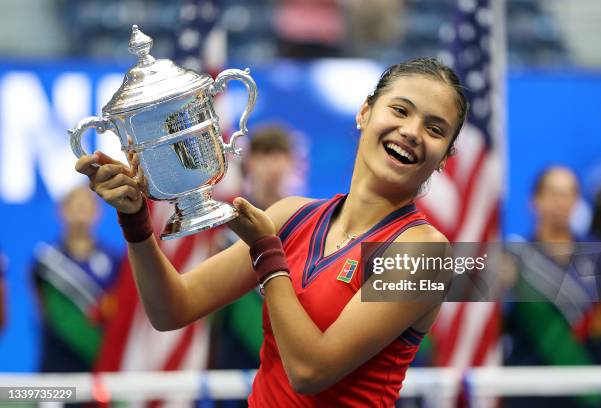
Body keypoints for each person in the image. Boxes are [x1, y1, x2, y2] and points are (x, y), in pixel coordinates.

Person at [75, 57, 467, 406]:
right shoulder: (291, 216)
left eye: (435, 129)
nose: (412, 131)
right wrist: (136, 222)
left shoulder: (425, 253)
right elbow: (171, 309)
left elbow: (311, 371)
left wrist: (268, 254)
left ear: (445, 157)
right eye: (400, 110)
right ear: (364, 112)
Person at [503, 166, 601, 407]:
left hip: (589, 390)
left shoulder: (599, 255)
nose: (562, 202)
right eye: (554, 193)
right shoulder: (514, 258)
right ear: (534, 200)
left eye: (569, 193)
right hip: (530, 389)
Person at [210, 125, 298, 373]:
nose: (273, 165)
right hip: (235, 364)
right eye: (265, 155)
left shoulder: (305, 222)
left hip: (292, 360)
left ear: (291, 163)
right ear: (250, 163)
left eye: (280, 155)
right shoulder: (228, 227)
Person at [32, 185, 120, 372]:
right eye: (74, 206)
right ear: (61, 211)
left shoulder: (114, 260)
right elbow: (43, 314)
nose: (80, 212)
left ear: (97, 213)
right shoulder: (45, 263)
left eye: (86, 206)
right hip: (56, 364)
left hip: (99, 363)